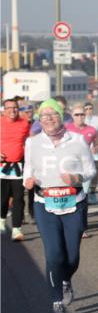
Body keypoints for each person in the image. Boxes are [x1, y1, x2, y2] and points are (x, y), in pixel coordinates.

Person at [23, 99, 96, 313]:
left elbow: (90, 169)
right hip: (45, 203)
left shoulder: (77, 140)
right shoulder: (32, 142)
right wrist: (28, 180)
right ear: (39, 119)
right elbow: (29, 168)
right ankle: (57, 303)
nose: (49, 118)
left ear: (60, 115)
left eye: (53, 114)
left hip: (74, 202)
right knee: (54, 254)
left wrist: (77, 178)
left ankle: (66, 280)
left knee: (71, 256)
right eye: (44, 115)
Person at [66, 103, 98, 237]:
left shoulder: (91, 130)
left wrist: (96, 148)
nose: (80, 117)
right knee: (71, 196)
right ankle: (70, 224)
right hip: (70, 167)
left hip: (85, 168)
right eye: (77, 114)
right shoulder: (66, 129)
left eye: (82, 114)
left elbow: (97, 142)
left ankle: (82, 228)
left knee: (83, 197)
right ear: (72, 116)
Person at [1, 96, 32, 241]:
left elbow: (29, 141)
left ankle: (16, 230)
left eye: (15, 108)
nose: (13, 110)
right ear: (4, 110)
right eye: (9, 108)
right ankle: (1, 220)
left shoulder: (25, 123)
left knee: (19, 198)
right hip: (1, 166)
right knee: (2, 199)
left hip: (19, 166)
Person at [19, 99, 36, 221]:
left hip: (34, 158)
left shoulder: (37, 123)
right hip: (20, 158)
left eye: (30, 111)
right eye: (26, 111)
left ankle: (32, 212)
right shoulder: (18, 124)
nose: (28, 113)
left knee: (32, 187)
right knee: (19, 189)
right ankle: (20, 214)